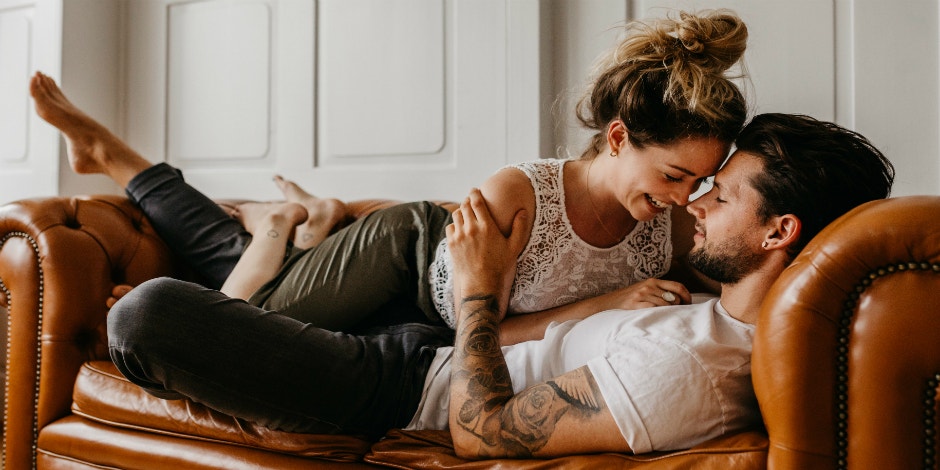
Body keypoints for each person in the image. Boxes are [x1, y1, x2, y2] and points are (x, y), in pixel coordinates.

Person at [106, 113, 894, 457]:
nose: (696, 204)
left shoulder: (689, 372)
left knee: (148, 314)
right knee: (224, 270)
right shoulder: (706, 307)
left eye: (721, 196)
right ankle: (145, 176)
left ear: (778, 233)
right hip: (424, 332)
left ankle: (269, 224)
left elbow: (481, 433)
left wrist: (481, 289)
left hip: (401, 387)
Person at [30, 9, 750, 344]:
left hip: (409, 313)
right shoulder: (521, 195)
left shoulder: (674, 230)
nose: (683, 199)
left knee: (230, 259)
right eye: (672, 175)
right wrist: (612, 301)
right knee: (251, 325)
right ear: (618, 137)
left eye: (699, 182)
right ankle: (273, 217)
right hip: (399, 250)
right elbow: (486, 336)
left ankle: (138, 168)